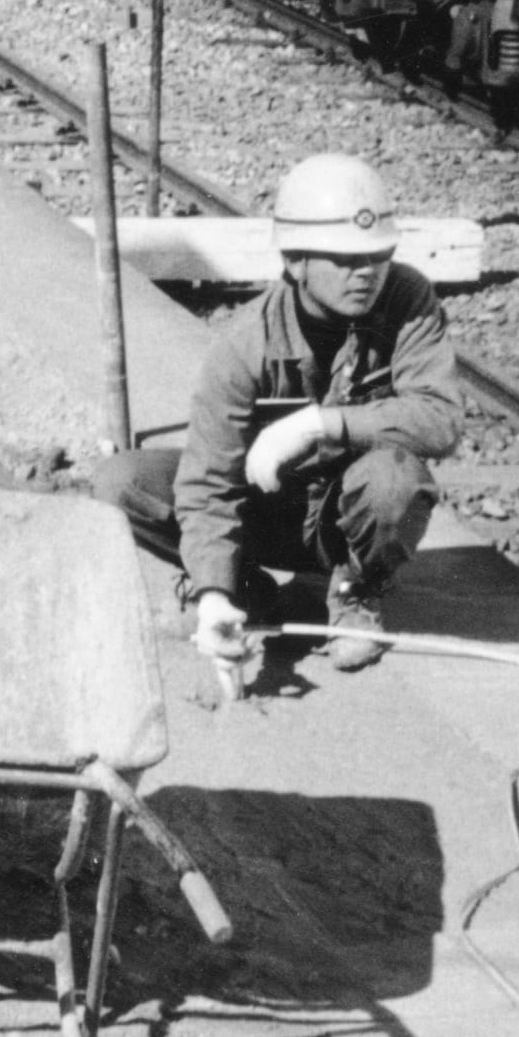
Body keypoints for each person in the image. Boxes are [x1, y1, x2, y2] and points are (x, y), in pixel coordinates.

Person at [123, 153, 460, 675]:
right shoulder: (246, 344)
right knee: (121, 481)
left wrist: (318, 423)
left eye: (378, 255)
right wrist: (214, 595)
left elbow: (440, 418)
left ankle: (355, 595)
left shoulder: (408, 299)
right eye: (345, 260)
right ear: (296, 260)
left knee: (397, 476)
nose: (366, 272)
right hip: (268, 512)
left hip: (347, 522)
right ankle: (245, 591)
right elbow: (208, 483)